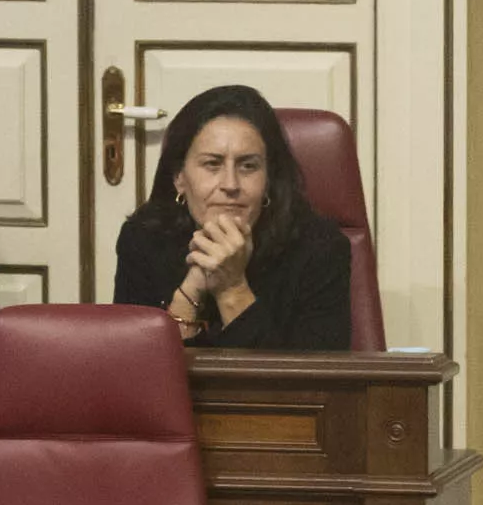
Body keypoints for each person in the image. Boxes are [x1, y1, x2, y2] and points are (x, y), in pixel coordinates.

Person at [111, 85, 351, 351]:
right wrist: (191, 289)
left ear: (269, 180)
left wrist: (232, 287)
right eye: (212, 164)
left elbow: (310, 376)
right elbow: (137, 365)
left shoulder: (320, 249)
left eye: (248, 166)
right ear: (179, 177)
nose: (230, 184)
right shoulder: (143, 239)